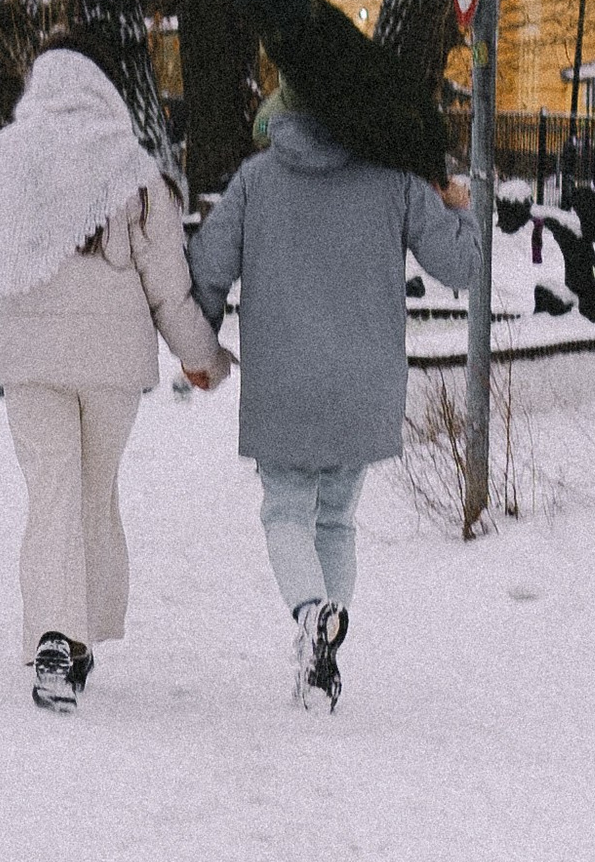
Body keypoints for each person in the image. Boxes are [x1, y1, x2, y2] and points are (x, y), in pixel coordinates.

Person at [187, 56, 476, 710]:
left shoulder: (257, 179)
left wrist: (198, 346)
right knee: (337, 520)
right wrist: (460, 206)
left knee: (285, 512)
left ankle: (311, 613)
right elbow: (459, 267)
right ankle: (325, 656)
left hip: (283, 381)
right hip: (363, 383)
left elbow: (207, 265)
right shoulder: (397, 182)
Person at [0, 39, 226, 709]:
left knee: (52, 492)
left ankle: (56, 637)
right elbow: (167, 284)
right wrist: (200, 356)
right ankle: (77, 639)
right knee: (93, 491)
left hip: (32, 364)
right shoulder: (132, 168)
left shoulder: (10, 160)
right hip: (113, 367)